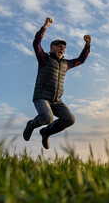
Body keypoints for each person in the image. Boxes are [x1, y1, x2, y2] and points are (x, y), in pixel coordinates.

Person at [23, 17, 91, 149]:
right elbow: (36, 44)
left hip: (57, 101)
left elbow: (81, 60)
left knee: (70, 119)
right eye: (59, 46)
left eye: (64, 47)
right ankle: (31, 124)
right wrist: (44, 27)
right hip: (42, 97)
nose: (62, 48)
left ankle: (46, 132)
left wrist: (87, 45)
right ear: (52, 47)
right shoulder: (44, 58)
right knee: (47, 118)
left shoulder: (66, 64)